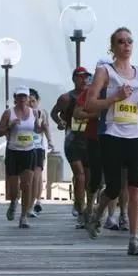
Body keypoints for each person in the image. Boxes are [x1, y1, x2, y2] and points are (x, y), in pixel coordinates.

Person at [86, 27, 138, 256]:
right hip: (112, 134)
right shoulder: (105, 71)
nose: (126, 45)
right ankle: (98, 213)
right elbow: (90, 104)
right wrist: (114, 98)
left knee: (136, 185)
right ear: (112, 47)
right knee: (114, 187)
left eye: (129, 41)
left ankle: (134, 240)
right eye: (120, 42)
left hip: (136, 135)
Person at [0, 86, 41, 228]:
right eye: (19, 97)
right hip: (13, 151)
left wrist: (41, 126)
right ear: (15, 98)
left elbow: (37, 129)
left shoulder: (34, 113)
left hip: (29, 151)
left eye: (24, 97)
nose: (22, 99)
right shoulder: (9, 113)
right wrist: (9, 125)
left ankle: (23, 216)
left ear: (28, 99)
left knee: (26, 184)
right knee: (14, 188)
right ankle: (14, 202)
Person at [51, 67, 92, 219]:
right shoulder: (66, 98)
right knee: (80, 175)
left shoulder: (92, 96)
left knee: (88, 178)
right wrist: (60, 122)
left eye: (86, 77)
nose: (84, 80)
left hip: (89, 140)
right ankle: (79, 207)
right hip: (72, 140)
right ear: (74, 79)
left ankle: (85, 206)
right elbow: (54, 112)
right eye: (81, 77)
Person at [29, 88, 53, 219]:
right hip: (24, 148)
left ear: (38, 101)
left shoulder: (42, 112)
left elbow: (45, 127)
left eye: (33, 101)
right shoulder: (21, 113)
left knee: (37, 176)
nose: (31, 104)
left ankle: (35, 202)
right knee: (28, 177)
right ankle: (29, 201)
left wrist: (50, 141)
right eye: (29, 101)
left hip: (38, 147)